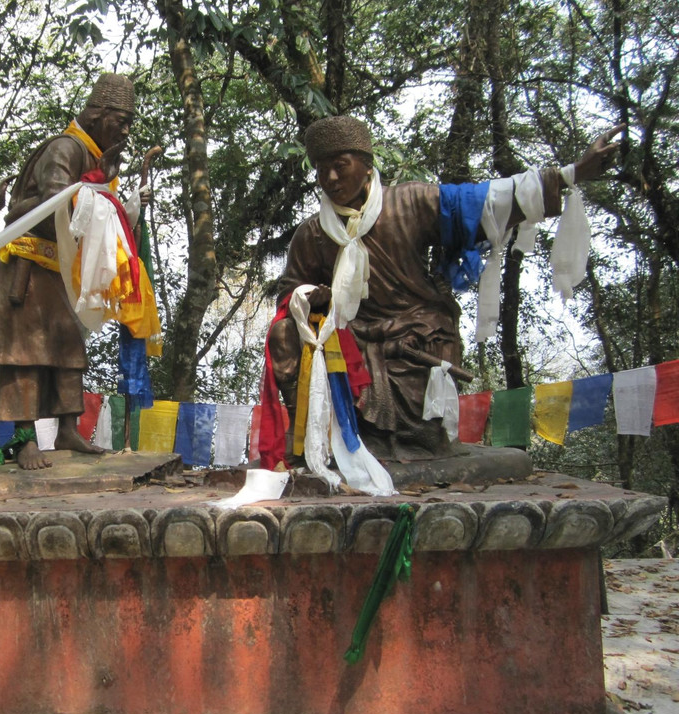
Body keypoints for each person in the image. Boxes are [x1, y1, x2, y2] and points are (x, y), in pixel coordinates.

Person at [265, 115, 622, 463]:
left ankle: (409, 445)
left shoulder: (410, 202)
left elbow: (485, 202)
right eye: (321, 170)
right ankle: (313, 441)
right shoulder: (312, 232)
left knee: (422, 420)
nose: (330, 178)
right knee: (283, 333)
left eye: (340, 166)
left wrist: (571, 173)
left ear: (367, 165)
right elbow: (290, 291)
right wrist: (307, 297)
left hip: (417, 331)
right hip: (348, 337)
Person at [0, 73, 138, 470]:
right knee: (26, 355)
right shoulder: (66, 148)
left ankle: (68, 428)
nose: (124, 131)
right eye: (120, 121)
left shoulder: (91, 156)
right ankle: (24, 440)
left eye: (128, 124)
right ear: (98, 114)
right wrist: (96, 187)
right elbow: (57, 201)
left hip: (58, 268)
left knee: (69, 349)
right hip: (29, 265)